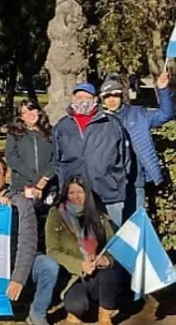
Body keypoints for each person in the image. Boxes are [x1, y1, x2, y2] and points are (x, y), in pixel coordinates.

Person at [0, 156, 59, 325]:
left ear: (6, 175)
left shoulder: (22, 203)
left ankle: (38, 313)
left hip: (15, 260)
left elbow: (28, 243)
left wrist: (18, 278)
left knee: (49, 266)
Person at [46, 176, 120, 325]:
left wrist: (106, 259)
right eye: (71, 192)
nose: (76, 196)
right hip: (72, 276)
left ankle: (105, 316)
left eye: (80, 192)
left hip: (97, 273)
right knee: (77, 305)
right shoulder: (56, 216)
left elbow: (112, 247)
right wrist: (79, 265)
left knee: (111, 271)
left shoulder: (99, 217)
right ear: (65, 194)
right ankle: (80, 309)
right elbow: (52, 250)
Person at [99, 73, 176, 222]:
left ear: (121, 96)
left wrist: (163, 89)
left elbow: (166, 114)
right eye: (107, 96)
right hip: (111, 184)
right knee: (115, 229)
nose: (111, 100)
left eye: (115, 95)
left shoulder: (138, 114)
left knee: (135, 224)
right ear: (102, 99)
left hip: (136, 180)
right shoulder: (100, 121)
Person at [52, 83, 131, 227]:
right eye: (79, 97)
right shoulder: (62, 126)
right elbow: (57, 160)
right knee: (80, 241)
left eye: (87, 97)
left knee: (111, 239)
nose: (83, 101)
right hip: (75, 194)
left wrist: (116, 178)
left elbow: (125, 157)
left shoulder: (111, 123)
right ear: (73, 99)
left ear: (95, 99)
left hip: (108, 191)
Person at [5, 100, 55, 200]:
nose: (29, 115)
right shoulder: (14, 133)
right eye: (25, 112)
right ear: (21, 117)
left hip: (49, 186)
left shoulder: (51, 132)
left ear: (39, 111)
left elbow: (57, 158)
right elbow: (12, 158)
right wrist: (36, 179)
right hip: (23, 186)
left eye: (32, 110)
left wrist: (45, 178)